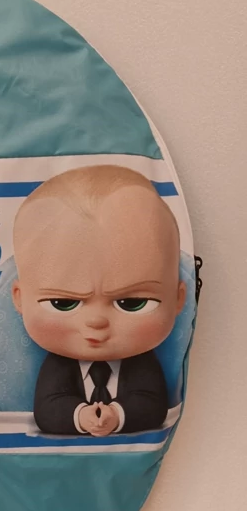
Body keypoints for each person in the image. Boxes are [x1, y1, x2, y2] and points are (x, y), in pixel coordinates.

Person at [11, 165, 186, 436]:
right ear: (20, 299)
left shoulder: (141, 363)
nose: (96, 321)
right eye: (63, 303)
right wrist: (80, 416)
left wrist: (118, 415)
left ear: (178, 299)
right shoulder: (59, 364)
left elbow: (151, 405)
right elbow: (48, 408)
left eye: (131, 303)